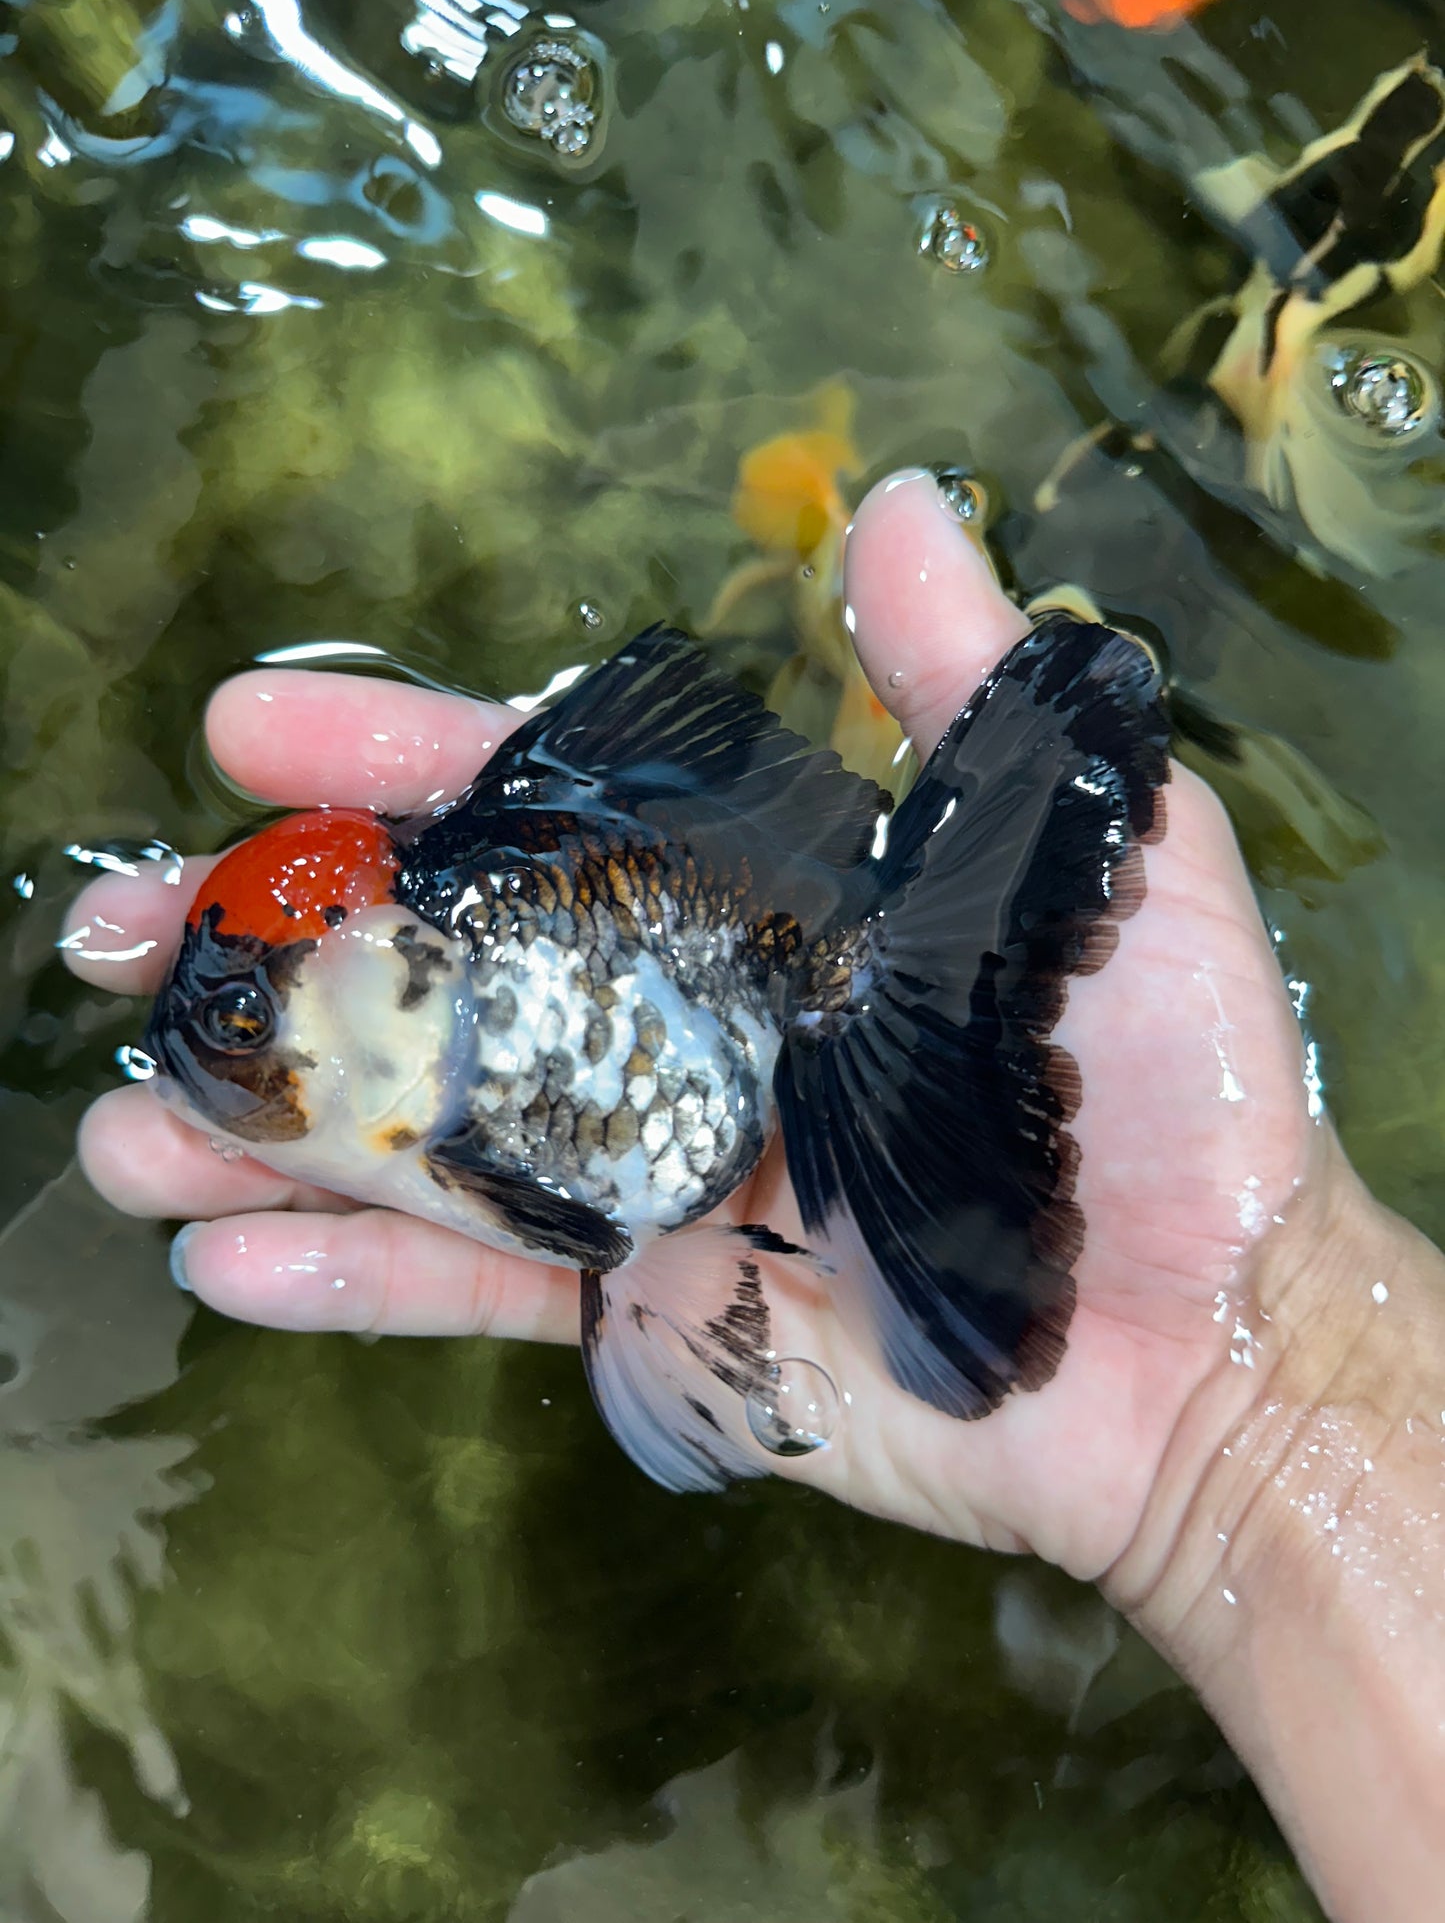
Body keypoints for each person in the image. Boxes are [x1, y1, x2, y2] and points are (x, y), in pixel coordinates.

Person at [68, 467, 1445, 1922]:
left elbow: (600, 1226)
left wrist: (1261, 1401)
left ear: (390, 979)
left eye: (237, 1030)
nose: (218, 1058)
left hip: (742, 1086)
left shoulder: (466, 1051)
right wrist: (1261, 1407)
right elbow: (606, 1240)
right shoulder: (414, 1067)